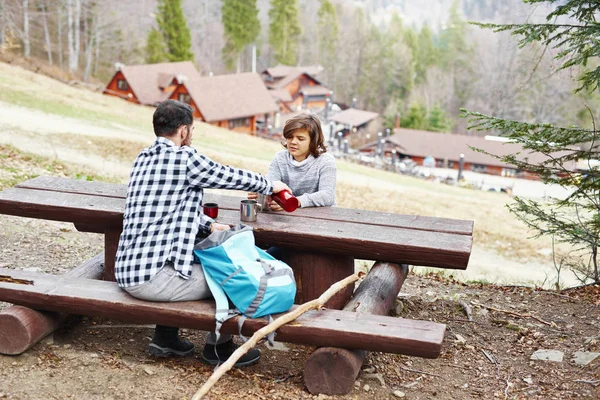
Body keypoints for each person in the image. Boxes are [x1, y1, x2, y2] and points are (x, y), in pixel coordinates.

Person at [114, 100, 289, 367]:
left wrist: (208, 226)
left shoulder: (144, 157)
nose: (192, 136)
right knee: (233, 276)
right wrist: (270, 185)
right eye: (192, 130)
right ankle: (218, 349)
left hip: (127, 270)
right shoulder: (185, 158)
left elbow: (168, 205)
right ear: (183, 131)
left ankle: (165, 338)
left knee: (190, 259)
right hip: (153, 279)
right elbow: (227, 175)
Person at [249, 113, 336, 210]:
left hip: (321, 218)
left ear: (313, 141)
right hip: (287, 217)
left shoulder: (326, 161)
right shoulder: (280, 158)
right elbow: (271, 184)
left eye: (300, 138)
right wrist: (262, 191)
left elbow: (327, 196)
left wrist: (294, 202)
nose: (293, 142)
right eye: (290, 137)